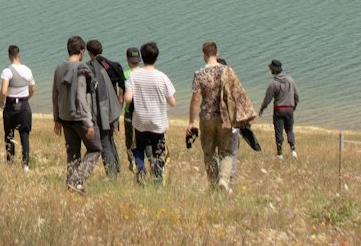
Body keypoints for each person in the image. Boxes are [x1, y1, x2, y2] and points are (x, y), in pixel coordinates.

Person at [187, 41, 248, 190]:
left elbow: (196, 99)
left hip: (206, 117)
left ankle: (213, 184)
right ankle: (224, 180)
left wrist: (191, 122)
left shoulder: (199, 74)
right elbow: (238, 93)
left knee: (209, 152)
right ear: (217, 53)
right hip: (224, 117)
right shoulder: (228, 71)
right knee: (226, 151)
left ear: (203, 54)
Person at [52, 35, 102, 194]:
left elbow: (55, 94)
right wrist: (89, 123)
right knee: (95, 148)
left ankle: (72, 185)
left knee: (72, 152)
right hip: (80, 117)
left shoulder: (59, 67)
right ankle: (76, 180)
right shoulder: (81, 68)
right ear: (82, 52)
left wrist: (56, 119)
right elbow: (81, 96)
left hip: (64, 117)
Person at [123, 41, 176, 184]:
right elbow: (172, 102)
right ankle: (158, 176)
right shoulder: (162, 77)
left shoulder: (133, 76)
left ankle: (140, 169)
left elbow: (127, 98)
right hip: (157, 122)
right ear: (156, 58)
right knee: (158, 150)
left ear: (142, 57)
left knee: (139, 148)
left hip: (140, 120)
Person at [85, 39, 124, 178]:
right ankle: (116, 168)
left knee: (104, 141)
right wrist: (119, 108)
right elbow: (121, 89)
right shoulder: (114, 66)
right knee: (109, 139)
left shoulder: (91, 67)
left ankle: (112, 175)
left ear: (89, 52)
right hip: (114, 108)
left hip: (103, 109)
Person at [0, 44, 35, 170]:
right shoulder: (28, 70)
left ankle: (10, 162)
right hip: (24, 106)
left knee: (9, 135)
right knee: (24, 135)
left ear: (9, 56)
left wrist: (1, 102)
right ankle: (26, 165)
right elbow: (32, 88)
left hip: (11, 106)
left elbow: (4, 91)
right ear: (19, 55)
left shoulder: (7, 71)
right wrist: (26, 98)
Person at [259, 60, 299, 157]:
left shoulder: (273, 84)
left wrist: (262, 109)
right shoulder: (291, 80)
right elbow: (296, 96)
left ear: (274, 70)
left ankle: (280, 153)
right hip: (289, 109)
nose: (270, 70)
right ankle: (293, 150)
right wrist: (294, 106)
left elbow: (267, 99)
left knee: (278, 131)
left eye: (271, 69)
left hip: (278, 110)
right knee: (289, 130)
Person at [123, 45, 141, 171]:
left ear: (127, 60)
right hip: (144, 112)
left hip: (130, 112)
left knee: (129, 140)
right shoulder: (145, 73)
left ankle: (132, 163)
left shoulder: (125, 74)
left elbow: (122, 96)